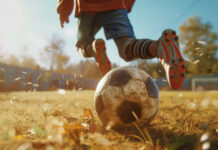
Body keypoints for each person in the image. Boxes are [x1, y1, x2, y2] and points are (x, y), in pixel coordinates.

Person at [56, 0, 186, 89]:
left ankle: (94, 49)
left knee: (82, 44)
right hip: (116, 5)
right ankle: (157, 47)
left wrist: (64, 10)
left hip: (87, 7)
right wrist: (125, 4)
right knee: (127, 45)